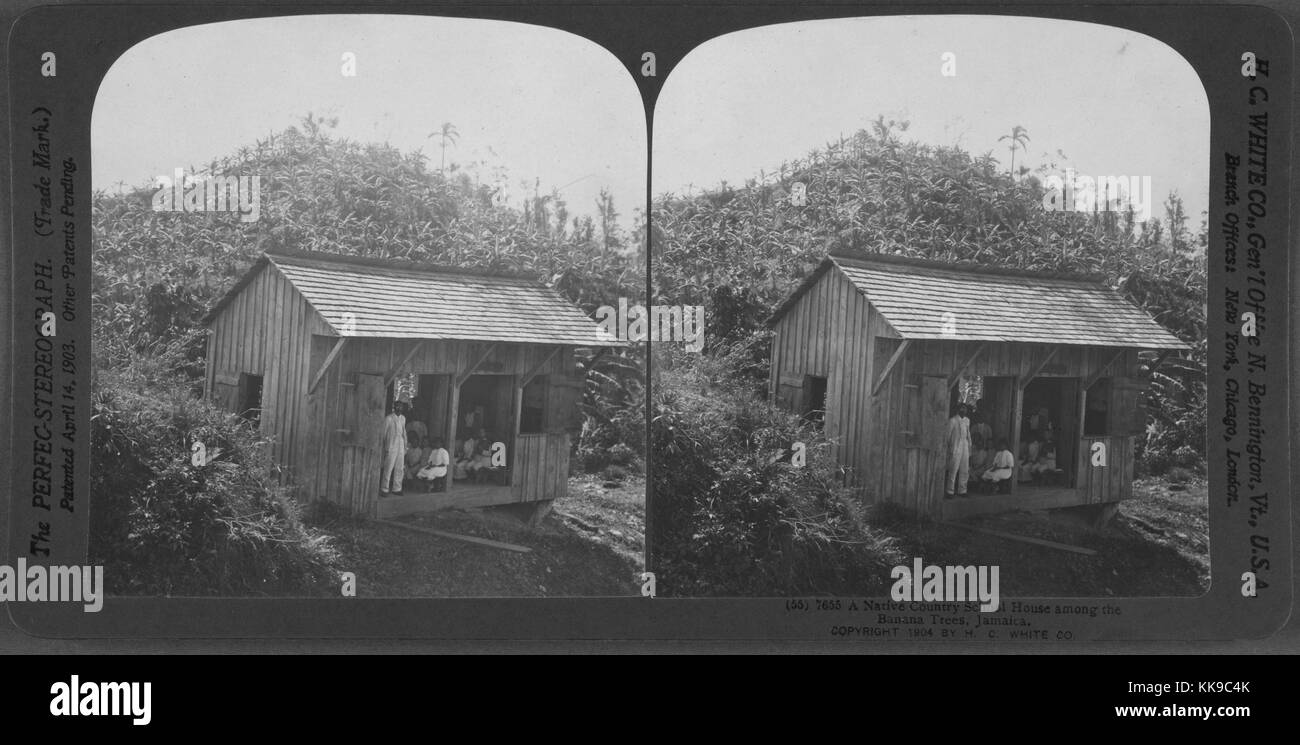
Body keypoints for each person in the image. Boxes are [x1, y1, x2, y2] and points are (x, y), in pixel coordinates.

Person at [944, 403, 972, 499]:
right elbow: (947, 436)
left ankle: (962, 490)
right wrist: (948, 448)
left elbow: (968, 435)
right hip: (956, 446)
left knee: (964, 469)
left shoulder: (967, 420)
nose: (964, 410)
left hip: (965, 446)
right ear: (958, 409)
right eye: (962, 408)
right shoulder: (952, 420)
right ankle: (950, 491)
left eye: (965, 409)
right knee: (953, 469)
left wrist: (969, 446)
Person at [380, 402, 408, 495]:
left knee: (399, 467)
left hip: (400, 444)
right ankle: (384, 489)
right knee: (388, 467)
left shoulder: (403, 418)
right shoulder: (389, 418)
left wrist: (405, 446)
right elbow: (383, 434)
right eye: (397, 406)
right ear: (394, 407)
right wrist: (384, 446)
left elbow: (404, 432)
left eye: (401, 406)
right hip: (391, 445)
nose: (399, 408)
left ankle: (397, 488)